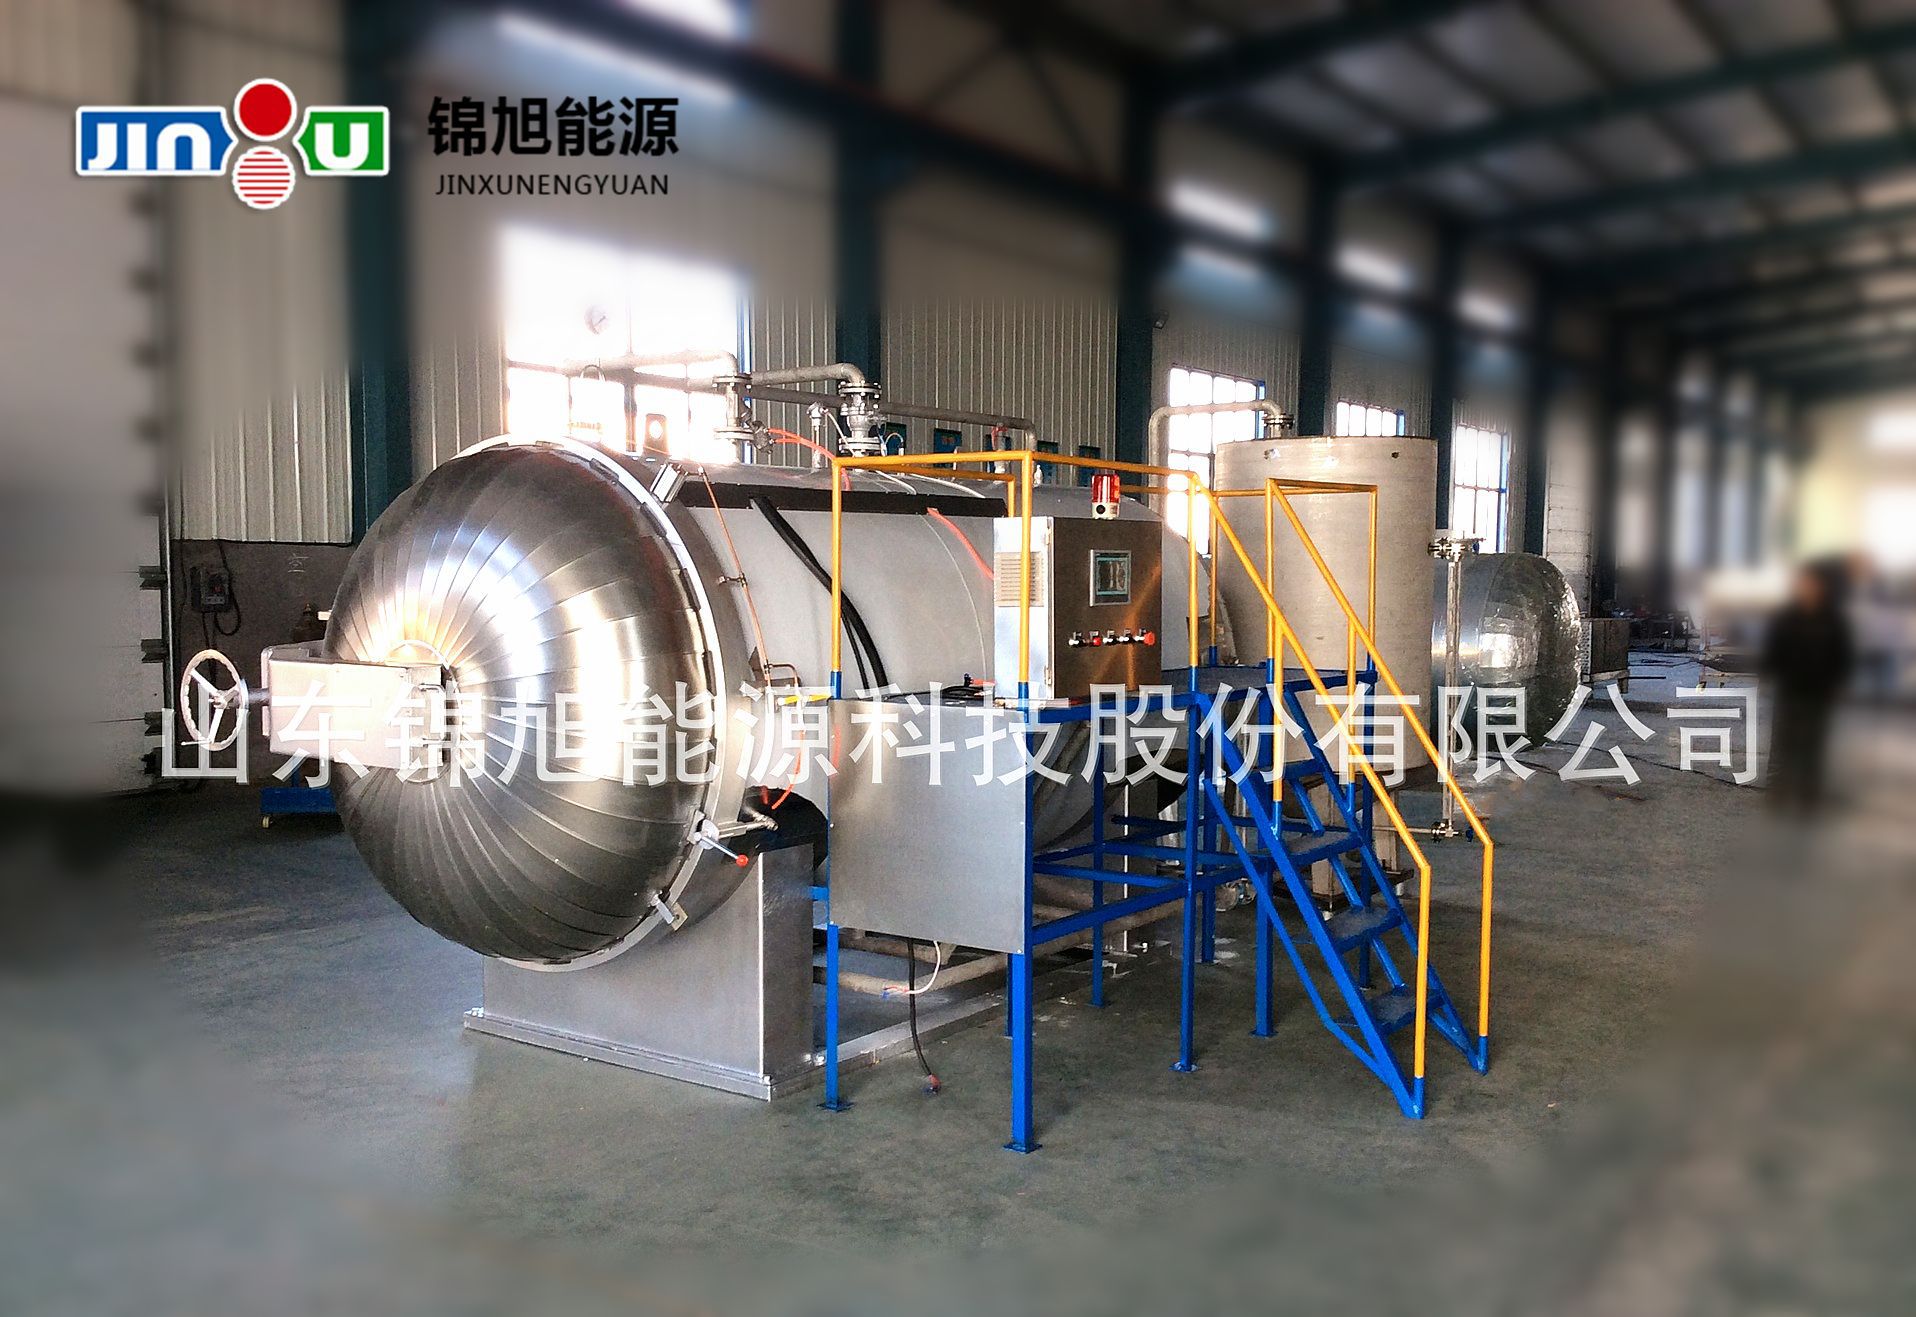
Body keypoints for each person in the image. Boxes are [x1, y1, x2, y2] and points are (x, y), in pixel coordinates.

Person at [1759, 561, 1855, 814]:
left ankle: (1808, 794)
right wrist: (1767, 676)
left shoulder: (1833, 620)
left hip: (1818, 691)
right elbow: (1773, 650)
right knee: (1782, 743)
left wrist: (1839, 683)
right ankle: (1776, 792)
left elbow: (1842, 655)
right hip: (1789, 690)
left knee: (1813, 744)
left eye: (1812, 585)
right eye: (1803, 584)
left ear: (1821, 588)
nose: (1808, 589)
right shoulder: (1786, 618)